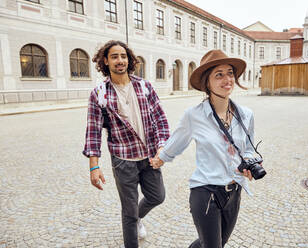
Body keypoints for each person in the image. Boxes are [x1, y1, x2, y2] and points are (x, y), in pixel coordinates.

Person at [150, 49, 263, 248]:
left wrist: (250, 162)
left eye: (230, 73)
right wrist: (160, 158)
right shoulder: (194, 116)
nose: (227, 79)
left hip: (234, 192)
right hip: (205, 192)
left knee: (218, 242)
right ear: (207, 83)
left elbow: (247, 148)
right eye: (219, 74)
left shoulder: (246, 115)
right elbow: (175, 143)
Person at [82, 40, 169, 248]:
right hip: (123, 162)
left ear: (129, 59)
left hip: (149, 157)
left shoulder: (144, 86)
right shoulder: (100, 94)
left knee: (157, 196)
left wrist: (162, 149)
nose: (119, 60)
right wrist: (94, 166)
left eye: (123, 56)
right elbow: (93, 132)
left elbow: (160, 120)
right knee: (128, 212)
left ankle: (137, 218)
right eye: (114, 56)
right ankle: (133, 226)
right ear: (106, 61)